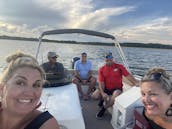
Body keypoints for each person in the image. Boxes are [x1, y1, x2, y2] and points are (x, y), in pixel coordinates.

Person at [0, 51, 60, 129]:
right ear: (2, 88)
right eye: (20, 83)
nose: (29, 93)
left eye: (36, 85)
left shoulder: (46, 125)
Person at [92, 52, 138, 118]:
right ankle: (102, 100)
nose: (109, 61)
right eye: (107, 60)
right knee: (94, 96)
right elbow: (101, 83)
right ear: (105, 60)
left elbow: (128, 76)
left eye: (111, 59)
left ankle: (104, 108)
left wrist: (136, 82)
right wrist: (102, 93)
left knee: (115, 95)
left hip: (117, 88)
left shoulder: (119, 66)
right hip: (106, 87)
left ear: (113, 59)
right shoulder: (101, 69)